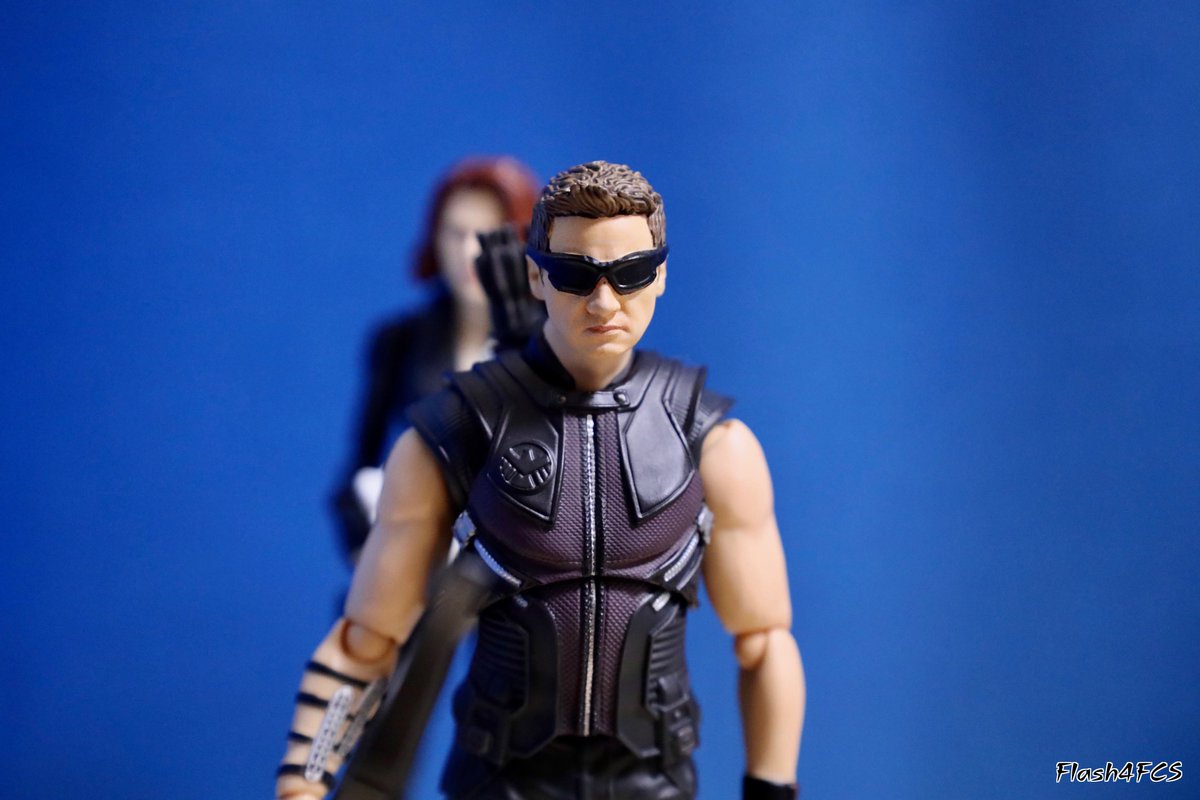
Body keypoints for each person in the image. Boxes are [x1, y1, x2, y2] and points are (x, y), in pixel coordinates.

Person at [279, 161, 805, 799]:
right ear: (536, 275)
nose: (604, 302)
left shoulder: (714, 443)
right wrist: (305, 784)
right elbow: (364, 644)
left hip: (652, 782)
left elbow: (764, 642)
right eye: (575, 275)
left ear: (662, 273)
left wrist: (771, 790)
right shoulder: (457, 433)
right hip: (502, 781)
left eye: (631, 273)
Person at [332, 157, 540, 564]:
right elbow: (358, 467)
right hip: (419, 551)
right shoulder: (400, 340)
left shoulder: (550, 343)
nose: (469, 251)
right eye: (455, 233)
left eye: (489, 235)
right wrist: (367, 544)